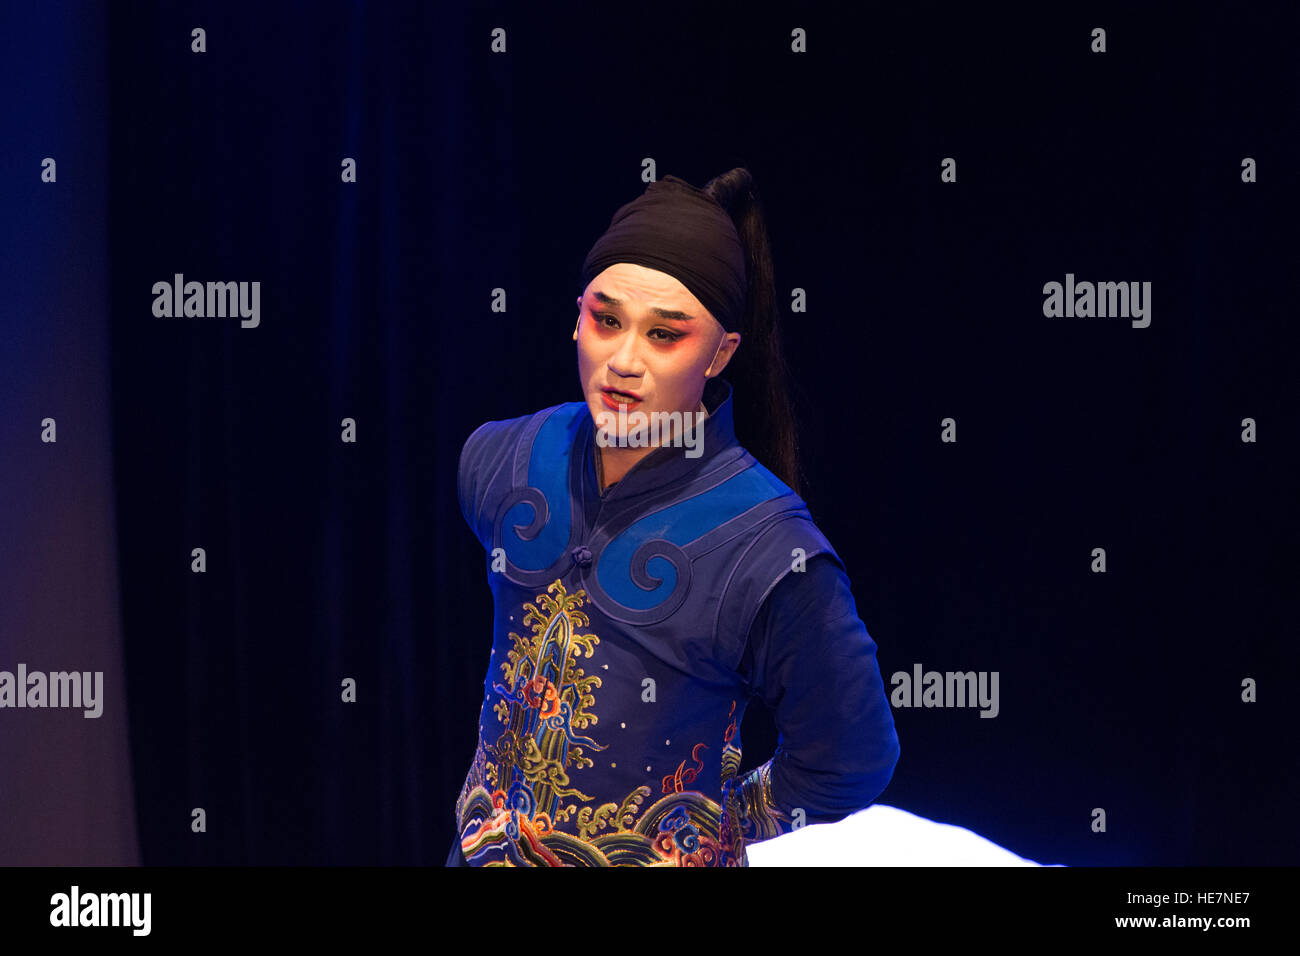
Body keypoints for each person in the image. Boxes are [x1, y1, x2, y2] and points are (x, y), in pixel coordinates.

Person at [448, 169, 900, 866]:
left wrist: (711, 828)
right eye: (607, 320)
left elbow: (852, 756)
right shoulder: (499, 460)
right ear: (576, 316)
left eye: (665, 335)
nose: (623, 360)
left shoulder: (771, 548)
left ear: (721, 354)